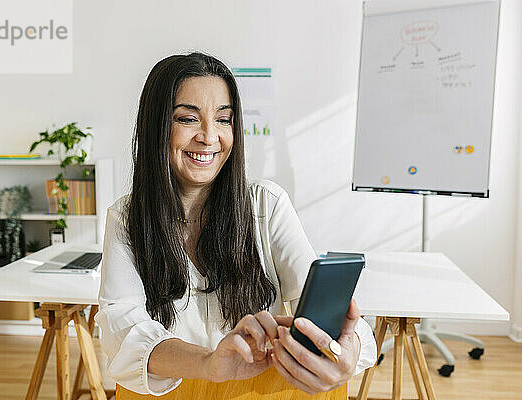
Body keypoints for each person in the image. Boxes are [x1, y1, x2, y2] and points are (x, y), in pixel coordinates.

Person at [95, 52, 376, 396]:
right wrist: (209, 363)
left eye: (224, 120)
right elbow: (122, 329)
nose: (209, 137)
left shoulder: (266, 204)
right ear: (157, 127)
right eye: (188, 119)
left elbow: (332, 316)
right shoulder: (126, 219)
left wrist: (348, 351)